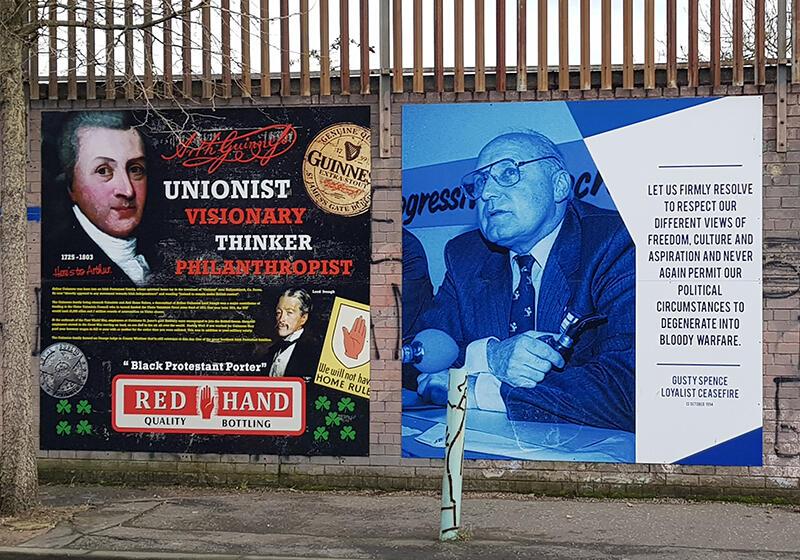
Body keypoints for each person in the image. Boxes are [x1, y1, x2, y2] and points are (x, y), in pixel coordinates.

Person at [416, 131, 635, 433]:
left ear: (559, 186)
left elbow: (630, 390)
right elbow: (417, 356)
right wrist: (491, 356)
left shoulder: (616, 243)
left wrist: (480, 389)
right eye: (480, 182)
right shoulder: (465, 255)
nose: (487, 193)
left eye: (508, 173)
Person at [47, 111, 153, 286]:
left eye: (135, 169)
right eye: (103, 170)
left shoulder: (163, 250)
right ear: (71, 185)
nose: (128, 191)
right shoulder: (53, 256)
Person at [265, 288, 321, 378]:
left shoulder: (313, 351)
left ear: (303, 318)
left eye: (289, 313)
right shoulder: (272, 350)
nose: (281, 319)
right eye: (278, 312)